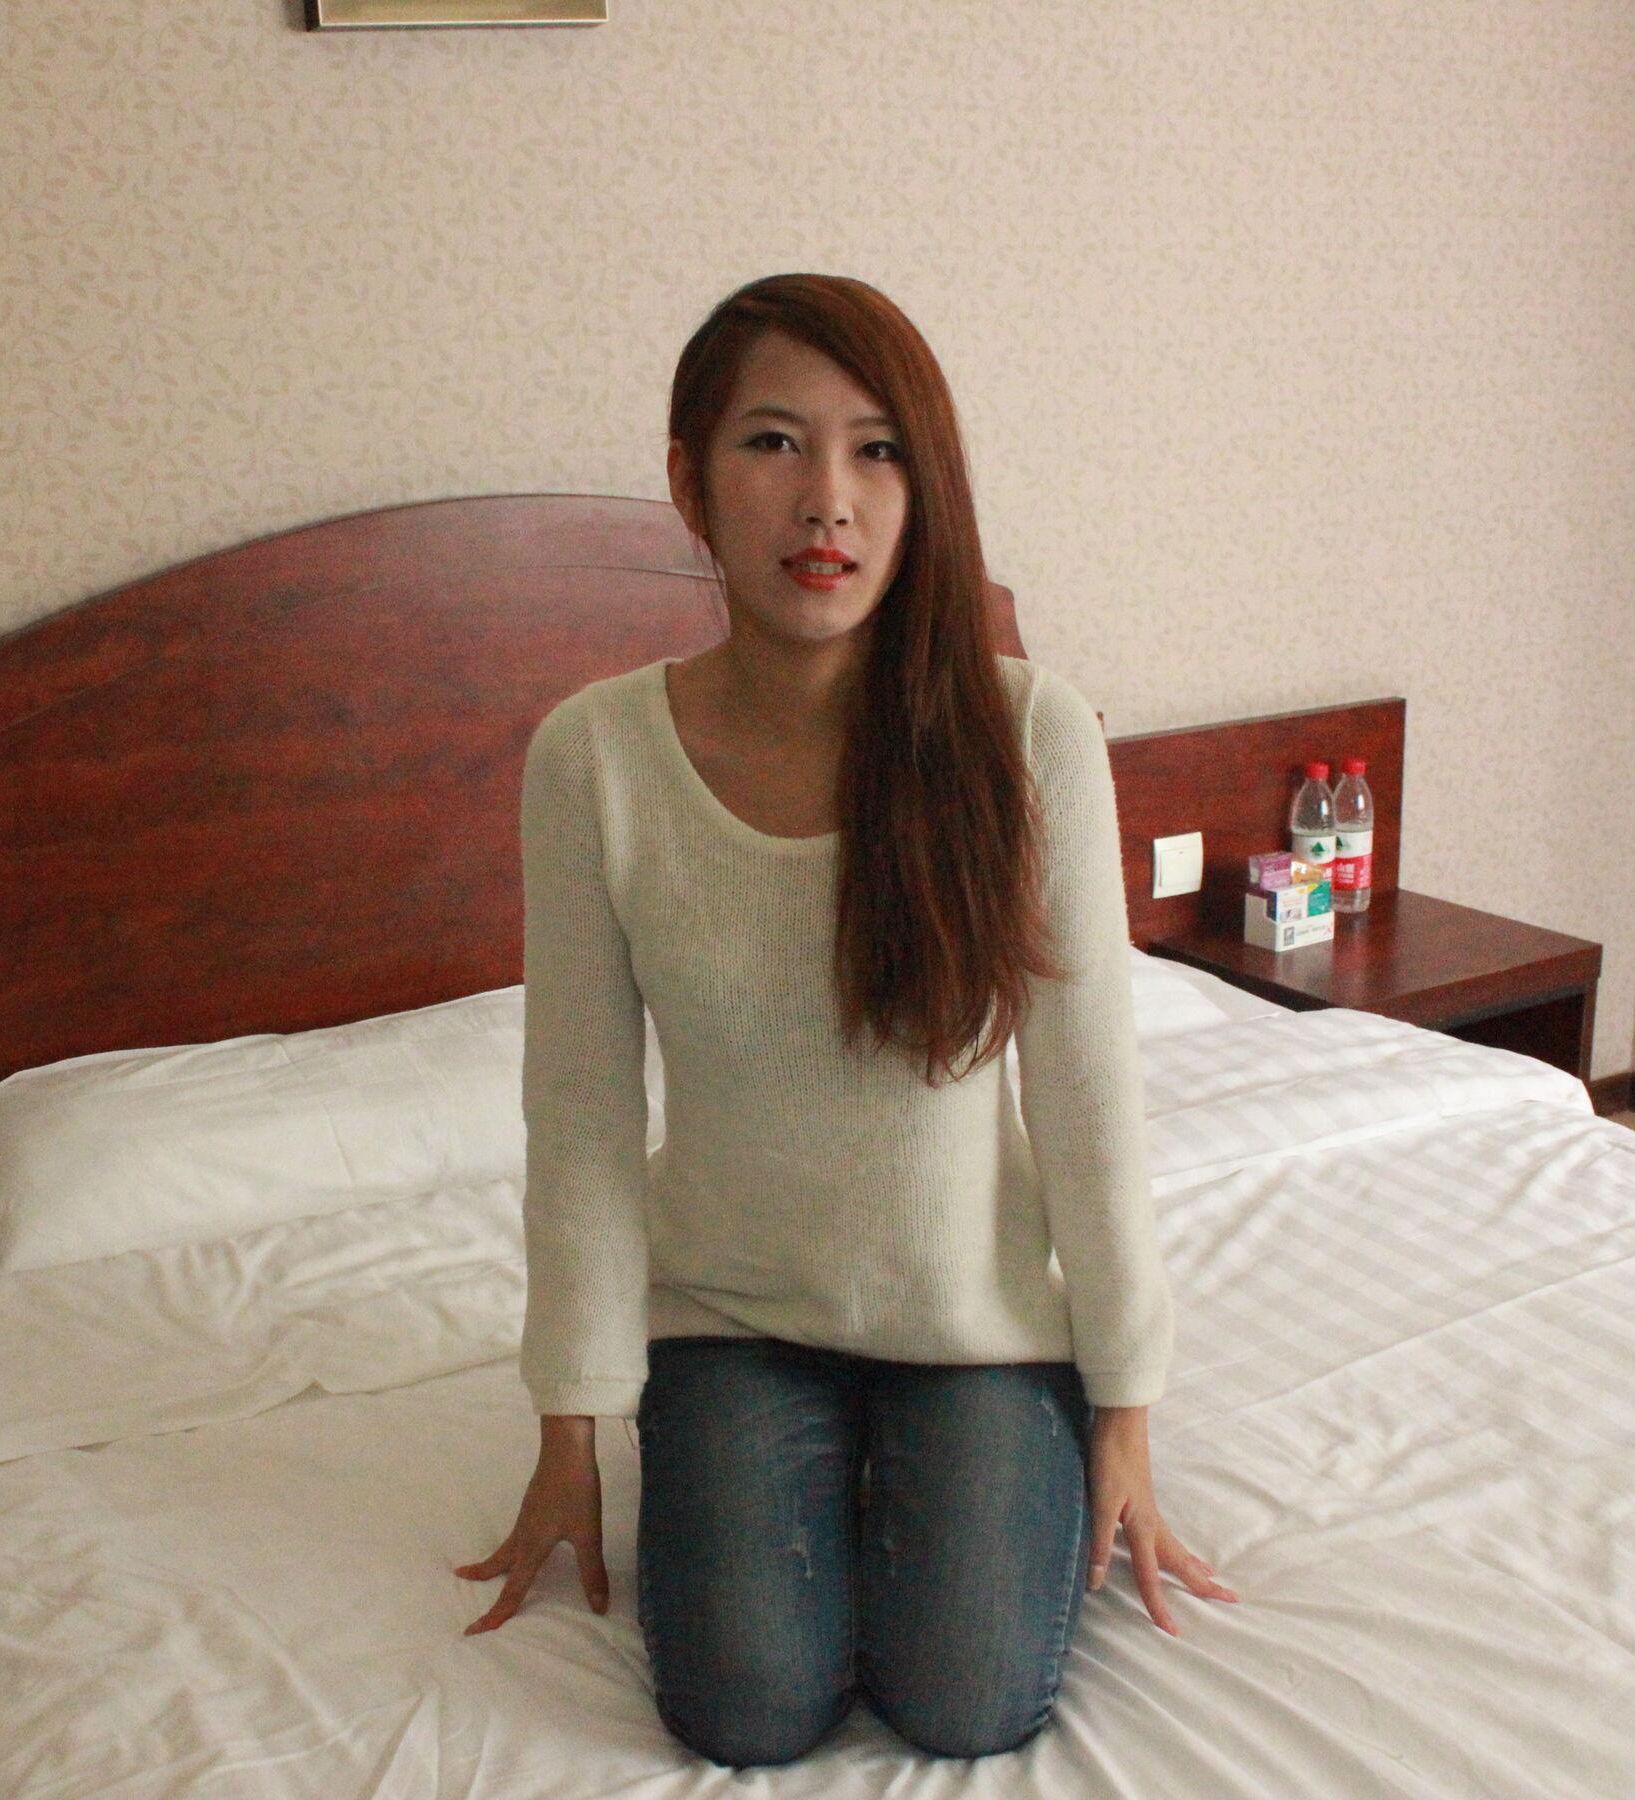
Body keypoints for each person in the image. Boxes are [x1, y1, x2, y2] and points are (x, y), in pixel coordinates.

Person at [454, 272, 1240, 1769]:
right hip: (731, 1318)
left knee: (970, 1699)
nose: (828, 499)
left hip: (973, 1322)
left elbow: (1088, 1099)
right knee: (745, 1710)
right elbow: (583, 1115)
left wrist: (1126, 1412)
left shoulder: (1026, 736)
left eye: (878, 450)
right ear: (688, 478)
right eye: (774, 443)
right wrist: (571, 1422)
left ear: (922, 488)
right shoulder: (595, 760)